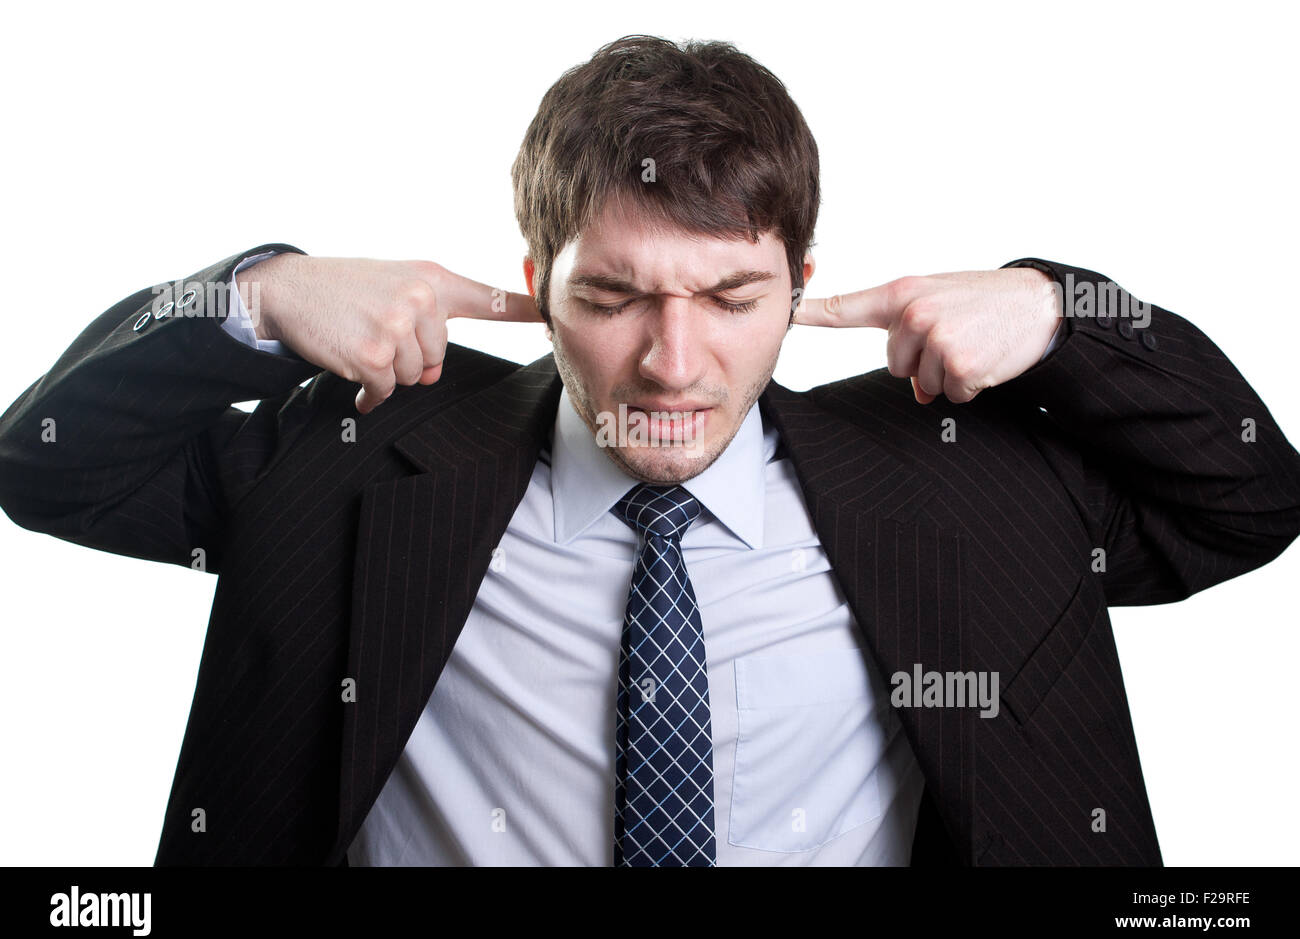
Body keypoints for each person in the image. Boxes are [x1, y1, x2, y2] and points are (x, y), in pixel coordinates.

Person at [1, 35, 1297, 867]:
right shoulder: (348, 464)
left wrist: (1069, 313)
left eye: (731, 299)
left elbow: (1249, 502)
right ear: (535, 282)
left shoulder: (969, 485)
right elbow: (48, 464)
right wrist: (256, 296)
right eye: (615, 296)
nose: (674, 364)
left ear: (800, 283)